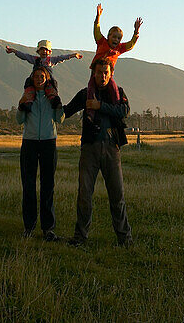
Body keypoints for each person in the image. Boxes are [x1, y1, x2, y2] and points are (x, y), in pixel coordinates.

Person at [63, 59, 133, 247]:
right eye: (99, 72)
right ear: (93, 73)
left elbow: (124, 111)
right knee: (84, 194)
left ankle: (124, 239)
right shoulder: (85, 94)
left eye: (106, 72)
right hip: (89, 149)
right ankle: (80, 238)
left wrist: (99, 106)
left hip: (112, 147)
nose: (102, 76)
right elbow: (66, 111)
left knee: (117, 196)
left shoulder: (118, 94)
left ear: (111, 74)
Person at [16, 65, 64, 241]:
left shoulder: (52, 98)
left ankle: (48, 229)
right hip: (29, 143)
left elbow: (60, 119)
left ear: (47, 79)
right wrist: (21, 105)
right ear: (32, 79)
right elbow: (19, 120)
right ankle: (29, 227)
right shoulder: (28, 97)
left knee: (47, 186)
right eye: (36, 76)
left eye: (42, 76)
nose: (39, 79)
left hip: (48, 143)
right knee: (28, 186)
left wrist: (59, 106)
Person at [91, 3, 142, 72]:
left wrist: (136, 32)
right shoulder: (102, 42)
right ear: (108, 36)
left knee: (112, 82)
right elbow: (96, 30)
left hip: (108, 74)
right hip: (96, 72)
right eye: (114, 37)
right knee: (92, 83)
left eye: (118, 38)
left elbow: (130, 45)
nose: (116, 39)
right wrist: (98, 18)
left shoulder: (119, 48)